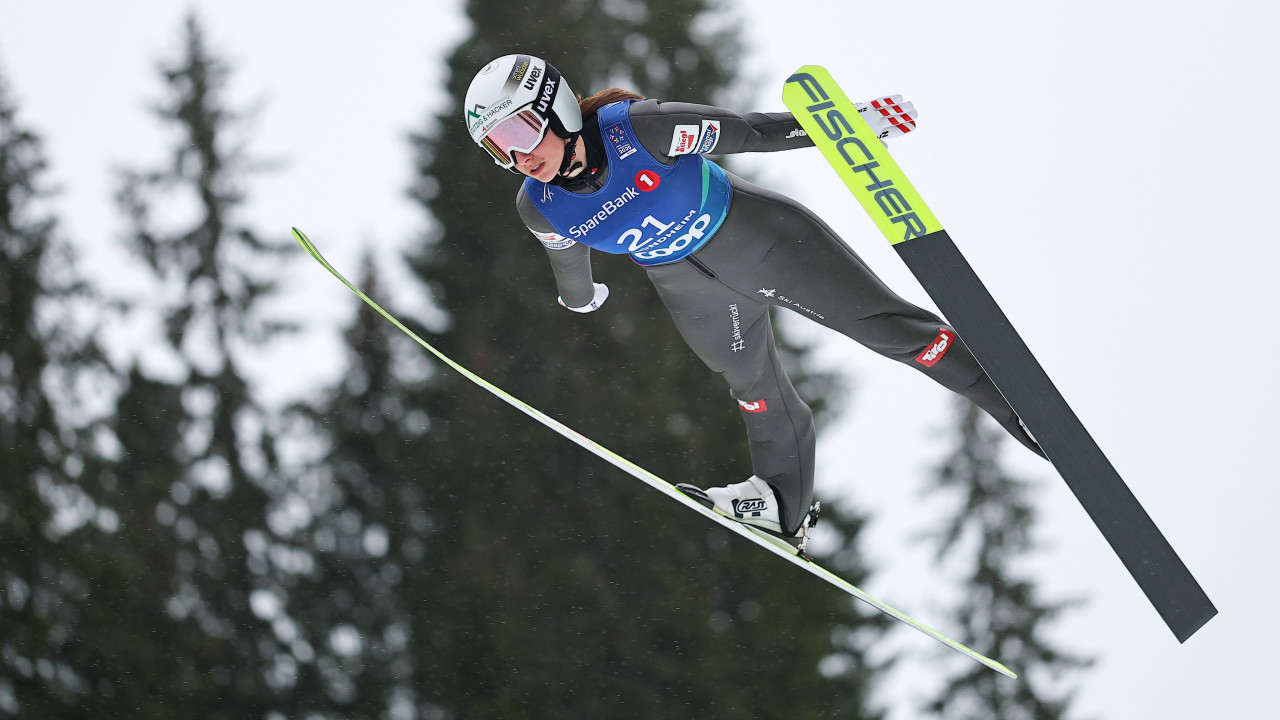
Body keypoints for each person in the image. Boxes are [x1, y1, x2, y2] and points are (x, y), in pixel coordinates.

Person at [464, 54, 1043, 543]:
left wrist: (851, 125)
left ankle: (1026, 409)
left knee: (890, 332)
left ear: (555, 107)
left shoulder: (638, 130)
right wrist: (582, 299)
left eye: (518, 133)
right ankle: (783, 505)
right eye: (497, 147)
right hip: (689, 289)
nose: (516, 156)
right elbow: (567, 258)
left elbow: (753, 131)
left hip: (763, 242)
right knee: (755, 392)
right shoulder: (538, 205)